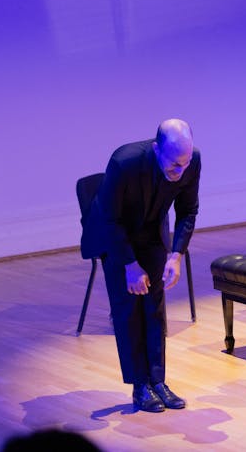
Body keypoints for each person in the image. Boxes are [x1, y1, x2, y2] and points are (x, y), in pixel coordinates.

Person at [81, 118, 200, 413]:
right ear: (157, 149)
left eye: (185, 164)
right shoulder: (125, 162)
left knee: (155, 307)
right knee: (128, 308)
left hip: (149, 231)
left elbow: (188, 210)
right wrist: (130, 265)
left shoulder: (190, 160)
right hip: (114, 234)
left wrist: (176, 255)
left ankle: (158, 381)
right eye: (174, 164)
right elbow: (109, 218)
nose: (180, 171)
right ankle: (139, 386)